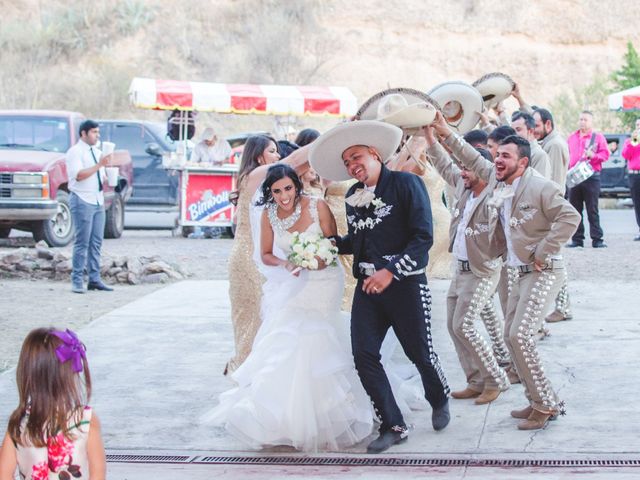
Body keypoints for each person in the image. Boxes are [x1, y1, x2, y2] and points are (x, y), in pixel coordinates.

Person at [205, 164, 373, 451]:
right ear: (270, 193)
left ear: (297, 185)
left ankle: (329, 414)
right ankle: (280, 417)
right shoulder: (268, 215)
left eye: (288, 188)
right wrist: (286, 263)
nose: (283, 196)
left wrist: (322, 258)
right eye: (277, 191)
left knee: (320, 335)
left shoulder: (317, 205)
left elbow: (334, 243)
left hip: (325, 280)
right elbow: (266, 254)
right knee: (287, 335)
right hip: (294, 280)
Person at [310, 120, 450, 454]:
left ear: (374, 153)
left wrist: (391, 271)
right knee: (364, 356)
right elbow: (359, 241)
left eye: (356, 156)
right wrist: (328, 245)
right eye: (346, 163)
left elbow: (422, 238)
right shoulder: (352, 197)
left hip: (405, 284)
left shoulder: (406, 184)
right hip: (367, 289)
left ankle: (438, 397)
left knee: (420, 353)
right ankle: (393, 424)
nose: (352, 165)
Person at [447, 130, 580, 430]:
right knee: (511, 337)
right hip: (515, 271)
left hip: (543, 271)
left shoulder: (540, 187)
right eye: (496, 155)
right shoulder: (499, 183)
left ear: (522, 162)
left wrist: (544, 251)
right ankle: (537, 399)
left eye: (505, 156)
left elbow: (571, 217)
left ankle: (546, 404)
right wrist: (443, 132)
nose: (497, 160)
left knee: (520, 335)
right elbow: (468, 156)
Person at [424, 120, 509, 405]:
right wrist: (429, 137)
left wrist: (448, 133)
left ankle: (495, 379)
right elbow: (443, 165)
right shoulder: (464, 186)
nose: (461, 172)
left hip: (482, 270)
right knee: (453, 325)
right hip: (459, 270)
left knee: (466, 325)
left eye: (467, 168)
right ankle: (475, 380)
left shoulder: (494, 191)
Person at [225, 136, 310, 375]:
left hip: (261, 258)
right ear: (258, 156)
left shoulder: (269, 180)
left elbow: (299, 168)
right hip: (247, 259)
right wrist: (336, 135)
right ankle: (245, 372)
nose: (278, 156)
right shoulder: (253, 176)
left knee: (266, 318)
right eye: (272, 151)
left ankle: (260, 374)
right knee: (251, 319)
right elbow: (294, 160)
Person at [0, 328, 106, 480]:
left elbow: (3, 474)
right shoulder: (86, 420)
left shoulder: (18, 422)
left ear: (26, 373)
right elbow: (98, 474)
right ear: (67, 374)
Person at [533, 108, 573, 324]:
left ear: (548, 124)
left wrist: (547, 213)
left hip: (551, 210)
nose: (534, 130)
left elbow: (555, 183)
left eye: (537, 126)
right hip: (547, 209)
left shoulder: (555, 145)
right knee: (553, 259)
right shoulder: (548, 141)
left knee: (554, 259)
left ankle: (563, 306)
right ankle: (562, 306)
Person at [65, 120, 113, 294]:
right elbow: (78, 175)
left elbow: (100, 176)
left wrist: (106, 171)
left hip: (98, 199)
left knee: (96, 242)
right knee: (82, 242)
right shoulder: (75, 152)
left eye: (98, 132)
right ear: (83, 134)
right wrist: (99, 165)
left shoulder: (97, 152)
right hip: (82, 199)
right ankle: (77, 280)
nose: (97, 136)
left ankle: (94, 278)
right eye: (93, 132)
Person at [567, 111, 610, 248]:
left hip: (591, 177)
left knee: (592, 209)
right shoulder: (572, 137)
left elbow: (606, 154)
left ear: (591, 122)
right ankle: (577, 239)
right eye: (580, 119)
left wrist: (594, 155)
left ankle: (597, 239)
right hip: (574, 177)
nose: (582, 122)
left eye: (585, 120)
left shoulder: (598, 137)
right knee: (575, 209)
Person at [511, 111, 551, 179]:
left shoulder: (539, 155)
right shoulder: (516, 151)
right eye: (512, 131)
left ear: (531, 131)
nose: (514, 134)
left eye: (518, 130)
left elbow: (539, 186)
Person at [620, 118, 640, 241]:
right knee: (637, 204)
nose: (638, 127)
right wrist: (634, 142)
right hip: (634, 175)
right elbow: (626, 155)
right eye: (637, 125)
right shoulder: (630, 141)